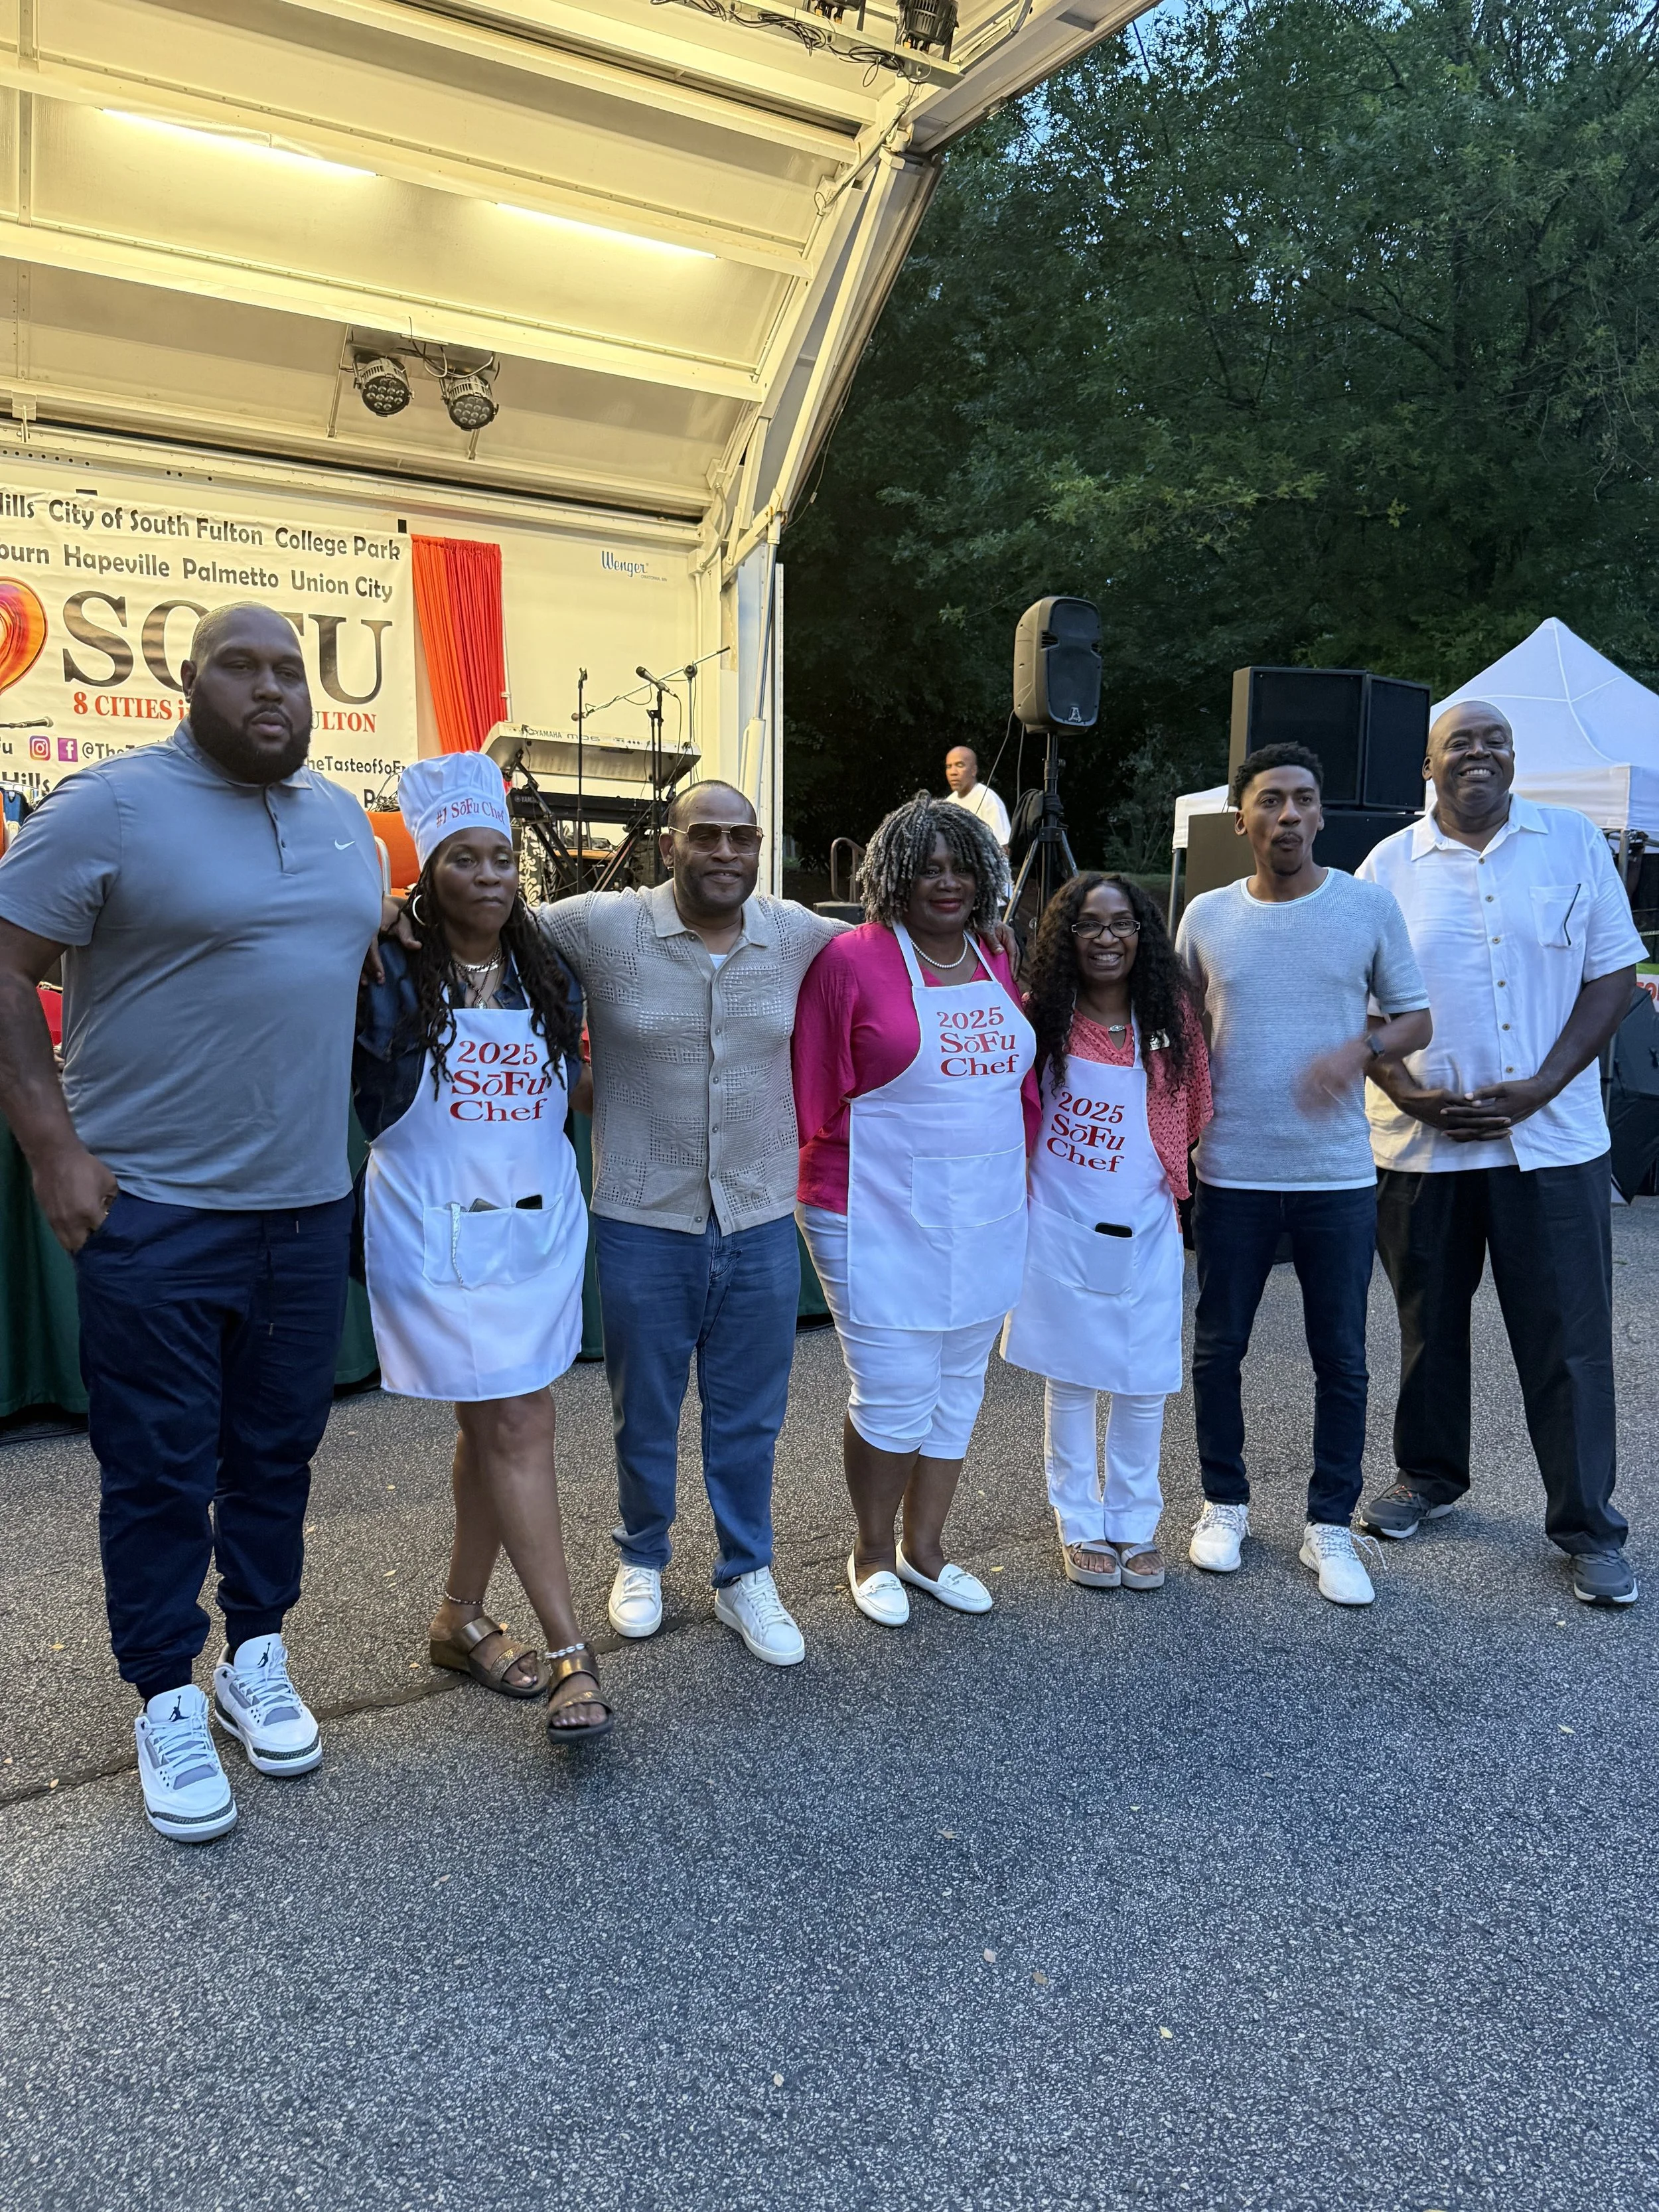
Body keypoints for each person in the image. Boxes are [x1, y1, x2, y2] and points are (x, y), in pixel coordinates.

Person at [0, 603, 383, 1842]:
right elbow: (6, 967)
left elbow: (349, 973)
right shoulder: (109, 805)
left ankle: (254, 1653)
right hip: (155, 1210)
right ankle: (165, 1687)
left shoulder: (339, 819)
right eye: (242, 666)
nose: (271, 688)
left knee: (278, 1454)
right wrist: (55, 1150)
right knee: (161, 1469)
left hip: (305, 1207)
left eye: (290, 668)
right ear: (189, 677)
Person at [1356, 700, 1644, 1607]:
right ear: (1429, 767)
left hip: (1552, 1141)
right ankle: (1429, 1479)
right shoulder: (1386, 866)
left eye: (1495, 743)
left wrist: (1547, 1082)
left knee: (1568, 1340)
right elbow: (1357, 1000)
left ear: (1514, 760)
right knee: (1425, 1327)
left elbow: (1613, 978)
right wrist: (1408, 1093)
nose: (1478, 755)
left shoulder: (1570, 843)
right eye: (1460, 745)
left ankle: (1589, 1527)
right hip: (1419, 1140)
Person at [354, 755, 611, 1744]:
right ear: (430, 877)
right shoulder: (384, 971)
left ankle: (460, 1616)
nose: (492, 877)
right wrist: (367, 911)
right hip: (437, 1231)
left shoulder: (551, 973)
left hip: (539, 1233)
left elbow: (573, 1094)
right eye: (466, 861)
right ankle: (568, 1651)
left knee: (493, 1425)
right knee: (518, 1425)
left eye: (503, 859)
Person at [1175, 742, 1431, 1606]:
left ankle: (1330, 1525)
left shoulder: (1366, 907)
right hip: (1233, 1170)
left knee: (1343, 1357)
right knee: (1219, 1348)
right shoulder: (1205, 916)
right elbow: (1174, 1033)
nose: (1289, 815)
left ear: (1322, 815)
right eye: (1272, 800)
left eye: (1305, 800)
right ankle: (1224, 1503)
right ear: (1241, 818)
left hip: (1336, 1174)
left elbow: (1416, 1018)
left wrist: (1357, 1049)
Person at [792, 793, 1037, 1627]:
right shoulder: (850, 962)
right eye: (927, 867)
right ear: (892, 875)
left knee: (959, 1386)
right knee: (894, 1390)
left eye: (961, 866)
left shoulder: (998, 954)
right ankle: (869, 1553)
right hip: (870, 1207)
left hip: (988, 1203)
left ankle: (925, 1550)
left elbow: (1022, 1087)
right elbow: (810, 1089)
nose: (946, 882)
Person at [1001, 873, 1211, 1592]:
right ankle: (1078, 1522)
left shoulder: (1170, 1019)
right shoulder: (1038, 1019)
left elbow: (1194, 1110)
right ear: (1066, 938)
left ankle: (1134, 1522)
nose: (1106, 939)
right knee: (1073, 1378)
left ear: (1142, 935)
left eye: (1121, 925)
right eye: (1088, 926)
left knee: (1143, 1378)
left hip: (1146, 1219)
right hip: (1059, 1219)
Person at [944, 746, 1011, 851]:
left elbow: (1004, 849)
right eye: (949, 766)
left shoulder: (988, 799)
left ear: (974, 770)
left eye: (960, 765)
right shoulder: (947, 804)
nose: (953, 772)